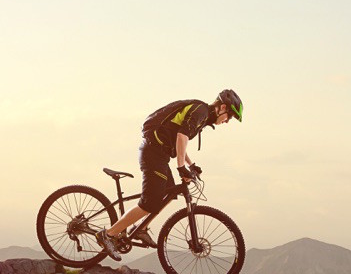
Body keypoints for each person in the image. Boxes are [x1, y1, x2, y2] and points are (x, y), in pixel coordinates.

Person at [96, 89, 243, 260]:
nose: (227, 121)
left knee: (169, 192)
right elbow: (181, 136)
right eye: (230, 116)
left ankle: (141, 229)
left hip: (160, 154)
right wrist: (181, 167)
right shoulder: (200, 111)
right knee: (149, 203)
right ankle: (108, 234)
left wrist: (190, 164)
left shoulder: (202, 116)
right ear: (223, 107)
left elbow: (180, 140)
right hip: (153, 152)